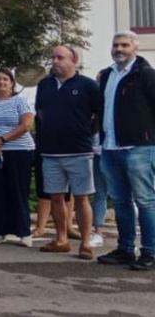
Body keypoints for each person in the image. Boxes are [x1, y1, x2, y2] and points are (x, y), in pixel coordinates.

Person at [96, 32, 155, 270]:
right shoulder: (107, 75)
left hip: (139, 148)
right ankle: (125, 249)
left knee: (145, 201)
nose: (119, 49)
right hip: (110, 147)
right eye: (115, 45)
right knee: (120, 201)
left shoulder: (146, 75)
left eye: (124, 45)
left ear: (135, 48)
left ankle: (150, 251)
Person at [0, 69, 37, 248]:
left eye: (5, 79)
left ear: (11, 83)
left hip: (18, 151)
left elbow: (26, 125)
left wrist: (2, 139)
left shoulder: (20, 101)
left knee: (18, 191)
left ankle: (23, 232)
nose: (1, 82)